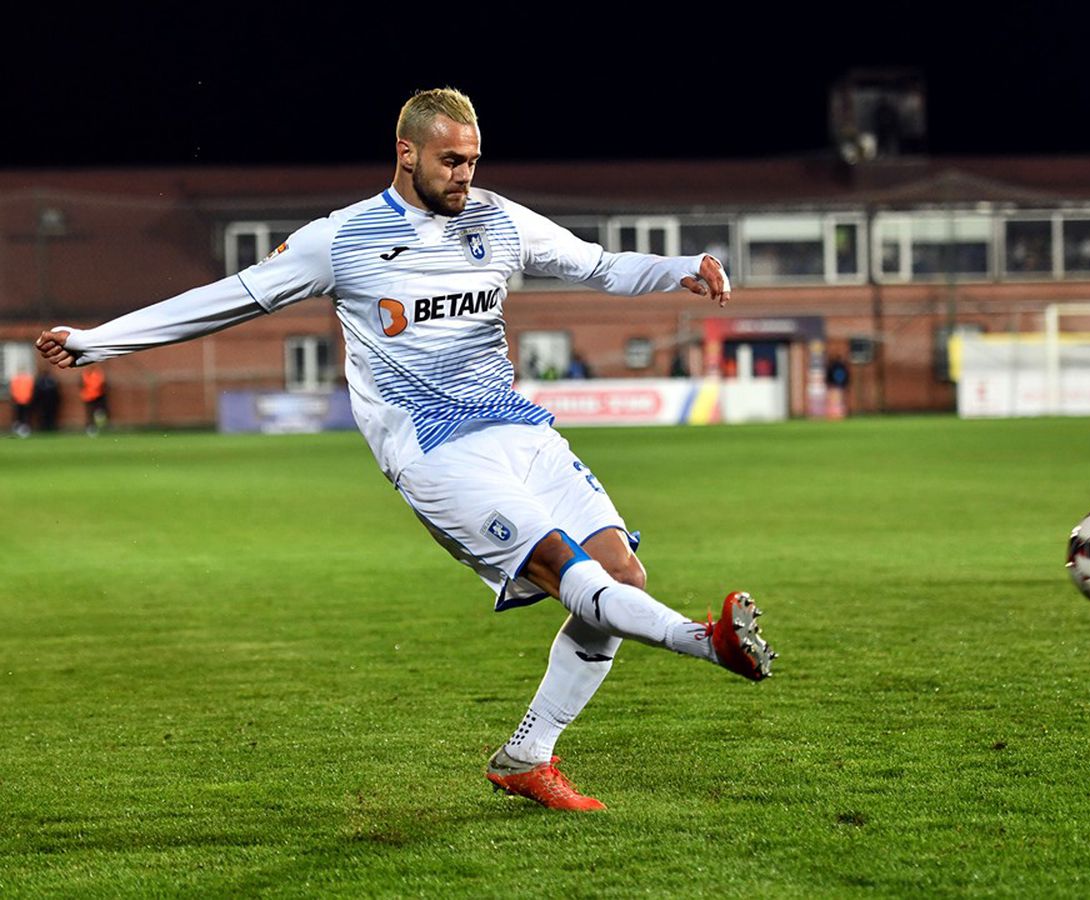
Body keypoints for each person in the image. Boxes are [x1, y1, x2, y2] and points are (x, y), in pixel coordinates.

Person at [36, 87, 774, 812]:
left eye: (474, 160)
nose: (465, 175)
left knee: (620, 572)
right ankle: (706, 644)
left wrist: (681, 266)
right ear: (406, 152)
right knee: (569, 572)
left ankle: (528, 757)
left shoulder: (496, 219)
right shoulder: (342, 240)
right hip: (434, 449)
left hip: (519, 428)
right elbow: (230, 296)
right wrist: (98, 340)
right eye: (451, 160)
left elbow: (598, 266)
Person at [80, 366, 109, 435]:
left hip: (98, 396)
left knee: (99, 412)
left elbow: (102, 384)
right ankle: (91, 428)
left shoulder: (97, 374)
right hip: (89, 397)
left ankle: (99, 425)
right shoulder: (85, 375)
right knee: (90, 414)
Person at [9, 370, 34, 437]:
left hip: (21, 400)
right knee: (22, 416)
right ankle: (20, 430)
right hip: (24, 400)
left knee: (20, 416)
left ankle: (21, 430)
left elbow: (13, 389)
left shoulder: (16, 379)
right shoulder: (27, 379)